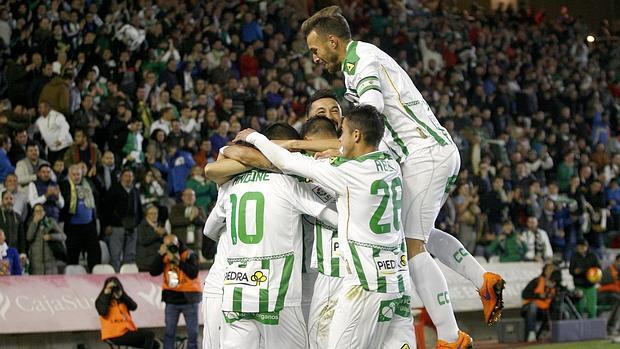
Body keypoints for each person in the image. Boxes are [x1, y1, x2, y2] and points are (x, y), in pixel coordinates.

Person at [301, 9, 503, 343]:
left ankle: (452, 338)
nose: (315, 58)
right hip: (427, 153)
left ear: (333, 41)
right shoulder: (361, 60)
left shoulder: (362, 60)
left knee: (412, 246)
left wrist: (342, 148)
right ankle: (485, 280)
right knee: (418, 231)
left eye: (315, 50)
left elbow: (372, 108)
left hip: (423, 154)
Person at [235, 106, 415, 348]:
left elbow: (285, 161)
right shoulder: (391, 165)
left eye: (342, 132)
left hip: (365, 284)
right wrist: (337, 154)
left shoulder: (348, 173)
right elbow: (349, 156)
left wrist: (254, 137)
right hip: (398, 282)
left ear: (356, 136)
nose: (339, 139)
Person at [211, 123, 339, 349]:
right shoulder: (290, 184)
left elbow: (209, 228)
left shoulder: (231, 184)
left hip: (236, 293)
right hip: (278, 296)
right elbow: (337, 219)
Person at [150, 234, 200, 349]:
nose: (171, 248)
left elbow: (193, 273)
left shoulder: (189, 254)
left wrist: (178, 262)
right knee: (169, 333)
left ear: (178, 243)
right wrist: (160, 254)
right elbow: (153, 271)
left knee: (193, 334)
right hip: (171, 299)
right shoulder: (164, 255)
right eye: (167, 246)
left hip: (189, 299)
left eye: (172, 245)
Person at [96, 277, 159, 349]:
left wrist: (122, 295)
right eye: (111, 289)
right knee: (149, 335)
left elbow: (134, 306)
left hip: (125, 332)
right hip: (112, 334)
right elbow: (103, 312)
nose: (113, 291)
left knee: (155, 345)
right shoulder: (101, 300)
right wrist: (106, 293)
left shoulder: (122, 299)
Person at [59, 164, 100, 272]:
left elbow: (98, 195)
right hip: (73, 227)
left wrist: (94, 178)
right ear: (69, 175)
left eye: (78, 174)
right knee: (72, 258)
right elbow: (64, 204)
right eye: (74, 175)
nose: (76, 177)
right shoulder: (64, 185)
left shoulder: (88, 183)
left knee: (95, 254)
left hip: (89, 226)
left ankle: (95, 279)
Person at [103, 168, 142, 272]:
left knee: (130, 255)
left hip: (132, 227)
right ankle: (115, 278)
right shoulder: (114, 190)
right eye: (126, 176)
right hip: (116, 227)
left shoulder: (135, 191)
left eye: (131, 176)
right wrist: (107, 225)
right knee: (115, 255)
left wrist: (138, 224)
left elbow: (139, 209)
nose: (129, 178)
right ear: (121, 178)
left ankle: (128, 279)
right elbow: (106, 209)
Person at [521, 263, 557, 342]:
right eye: (549, 269)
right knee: (533, 306)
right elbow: (524, 294)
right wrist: (539, 295)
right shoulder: (537, 281)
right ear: (544, 271)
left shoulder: (555, 285)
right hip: (530, 308)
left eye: (553, 269)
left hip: (545, 310)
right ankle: (531, 333)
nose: (551, 271)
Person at [26, 203, 66, 275]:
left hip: (50, 262)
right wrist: (35, 223)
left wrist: (51, 236)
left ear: (44, 212)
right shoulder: (30, 223)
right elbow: (29, 237)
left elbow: (63, 236)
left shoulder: (50, 221)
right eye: (36, 211)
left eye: (40, 211)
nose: (39, 213)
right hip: (36, 263)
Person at [569, 239, 601, 319]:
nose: (580, 249)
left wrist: (583, 271)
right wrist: (575, 272)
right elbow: (571, 270)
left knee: (592, 307)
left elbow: (598, 268)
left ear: (586, 247)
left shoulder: (593, 256)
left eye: (582, 247)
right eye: (579, 247)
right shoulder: (574, 256)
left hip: (590, 284)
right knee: (579, 306)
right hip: (579, 285)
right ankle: (579, 324)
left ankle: (592, 324)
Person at [168, 189, 206, 254]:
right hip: (181, 243)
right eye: (187, 195)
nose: (189, 197)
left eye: (191, 195)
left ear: (195, 198)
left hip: (196, 244)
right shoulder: (176, 208)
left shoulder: (199, 209)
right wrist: (190, 219)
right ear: (182, 197)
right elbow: (174, 221)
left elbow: (203, 222)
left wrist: (196, 216)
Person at [136, 205, 166, 272]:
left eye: (156, 213)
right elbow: (143, 241)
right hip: (146, 262)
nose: (154, 215)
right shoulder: (141, 226)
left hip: (158, 260)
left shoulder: (160, 225)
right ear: (147, 215)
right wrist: (157, 233)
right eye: (152, 213)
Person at [0, 190, 25, 259]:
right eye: (6, 198)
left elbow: (21, 237)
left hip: (14, 253)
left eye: (11, 199)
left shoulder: (17, 217)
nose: (9, 201)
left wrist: (22, 253)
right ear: (2, 200)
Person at [599, 254, 620, 336]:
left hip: (615, 295)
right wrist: (615, 278)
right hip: (605, 294)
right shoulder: (608, 270)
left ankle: (612, 327)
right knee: (617, 299)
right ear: (616, 261)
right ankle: (611, 327)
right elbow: (602, 281)